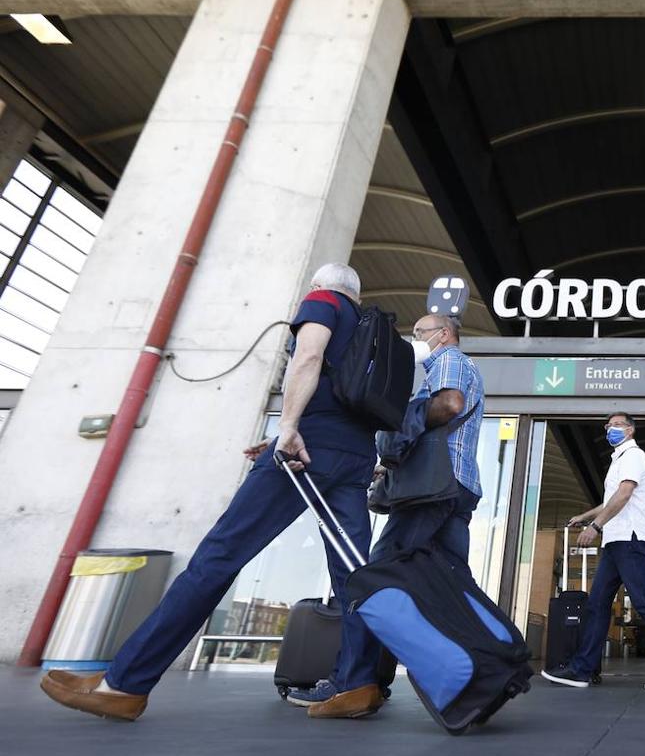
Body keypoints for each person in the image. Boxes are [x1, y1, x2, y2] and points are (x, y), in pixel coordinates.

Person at [40, 263, 388, 722]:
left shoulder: (323, 303)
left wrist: (287, 427)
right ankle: (357, 683)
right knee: (353, 576)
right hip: (355, 456)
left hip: (306, 452)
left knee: (218, 557)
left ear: (319, 287)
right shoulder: (373, 330)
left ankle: (124, 683)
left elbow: (307, 357)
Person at [285, 313, 485, 709]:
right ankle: (485, 669)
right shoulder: (466, 368)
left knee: (375, 578)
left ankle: (352, 683)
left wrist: (396, 433)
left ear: (444, 334)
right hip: (457, 488)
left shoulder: (448, 360)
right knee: (455, 584)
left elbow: (449, 404)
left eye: (421, 332)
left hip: (432, 488)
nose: (417, 339)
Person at [542, 412, 645, 691]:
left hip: (629, 538)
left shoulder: (634, 456)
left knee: (643, 600)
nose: (609, 428)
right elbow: (611, 500)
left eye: (616, 425)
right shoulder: (619, 460)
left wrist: (595, 527)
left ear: (630, 431)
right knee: (597, 605)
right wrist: (584, 516)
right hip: (615, 541)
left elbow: (624, 495)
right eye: (607, 425)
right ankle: (582, 670)